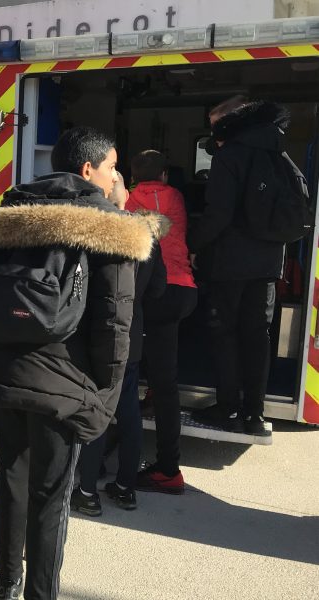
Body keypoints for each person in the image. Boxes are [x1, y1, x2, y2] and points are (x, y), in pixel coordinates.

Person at [0, 127, 154, 600]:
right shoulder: (109, 225)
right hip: (64, 385)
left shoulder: (13, 209)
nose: (118, 176)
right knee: (52, 495)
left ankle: (5, 584)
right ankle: (40, 594)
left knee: (11, 476)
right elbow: (114, 320)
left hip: (2, 372)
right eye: (113, 166)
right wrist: (106, 395)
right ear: (89, 170)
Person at [190, 96, 288, 437]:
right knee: (258, 337)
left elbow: (218, 214)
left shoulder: (230, 155)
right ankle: (255, 415)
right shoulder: (278, 151)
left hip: (230, 262)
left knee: (224, 334)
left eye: (217, 124)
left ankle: (228, 408)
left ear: (233, 122)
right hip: (269, 262)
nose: (214, 133)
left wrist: (192, 245)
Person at [73, 174, 168, 515]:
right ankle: (126, 486)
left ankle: (86, 490)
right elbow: (158, 288)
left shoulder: (92, 231)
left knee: (96, 410)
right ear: (126, 195)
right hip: (133, 334)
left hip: (97, 335)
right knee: (128, 412)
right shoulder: (146, 234)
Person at [124, 150, 199, 493]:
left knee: (136, 367)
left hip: (155, 294)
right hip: (184, 291)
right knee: (164, 367)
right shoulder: (177, 197)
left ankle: (168, 470)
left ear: (132, 175)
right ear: (166, 174)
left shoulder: (130, 200)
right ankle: (154, 390)